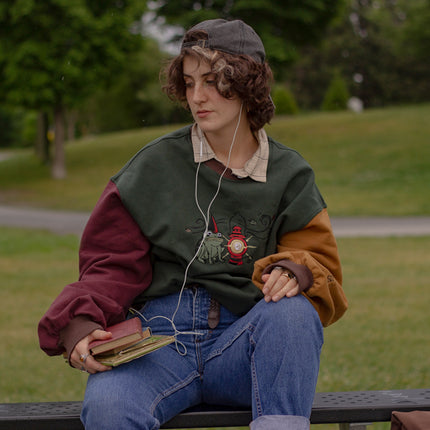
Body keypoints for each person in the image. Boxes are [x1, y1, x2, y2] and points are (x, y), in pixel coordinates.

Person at [38, 18, 347, 430]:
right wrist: (80, 323)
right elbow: (109, 264)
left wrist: (293, 271)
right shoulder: (152, 166)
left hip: (246, 343)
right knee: (109, 408)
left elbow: (317, 259)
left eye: (212, 80)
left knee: (292, 315)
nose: (197, 96)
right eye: (188, 83)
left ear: (246, 82)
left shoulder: (290, 174)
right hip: (158, 345)